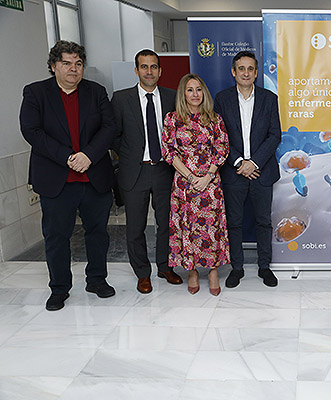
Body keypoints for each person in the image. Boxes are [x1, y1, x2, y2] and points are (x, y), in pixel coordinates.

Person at [19, 41, 116, 311]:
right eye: (66, 63)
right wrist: (68, 157)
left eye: (78, 63)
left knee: (98, 233)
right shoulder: (36, 93)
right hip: (57, 179)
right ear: (53, 66)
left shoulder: (96, 92)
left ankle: (97, 280)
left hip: (94, 177)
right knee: (57, 236)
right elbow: (32, 131)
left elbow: (109, 127)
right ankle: (59, 288)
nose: (73, 69)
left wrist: (88, 155)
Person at [111, 49, 182, 294]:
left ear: (160, 71)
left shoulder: (173, 97)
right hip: (135, 172)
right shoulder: (121, 99)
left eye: (153, 67)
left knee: (166, 224)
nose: (149, 71)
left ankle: (164, 266)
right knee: (135, 227)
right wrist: (131, 156)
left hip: (165, 170)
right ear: (136, 70)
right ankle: (142, 273)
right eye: (144, 67)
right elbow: (114, 136)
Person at [214, 51, 282, 288]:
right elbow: (219, 136)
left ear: (256, 72)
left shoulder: (269, 98)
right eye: (241, 68)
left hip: (261, 171)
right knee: (234, 222)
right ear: (234, 72)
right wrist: (239, 163)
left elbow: (275, 135)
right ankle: (237, 268)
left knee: (264, 221)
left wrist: (254, 163)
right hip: (234, 172)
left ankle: (265, 267)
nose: (246, 73)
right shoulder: (221, 99)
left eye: (250, 69)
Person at [161, 74, 229, 295]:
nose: (195, 94)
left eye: (199, 89)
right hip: (185, 184)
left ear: (204, 92)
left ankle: (212, 271)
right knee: (187, 228)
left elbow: (222, 149)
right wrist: (190, 178)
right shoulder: (172, 119)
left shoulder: (215, 119)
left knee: (211, 230)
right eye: (190, 90)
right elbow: (168, 152)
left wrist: (208, 176)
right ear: (183, 93)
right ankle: (191, 271)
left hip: (210, 183)